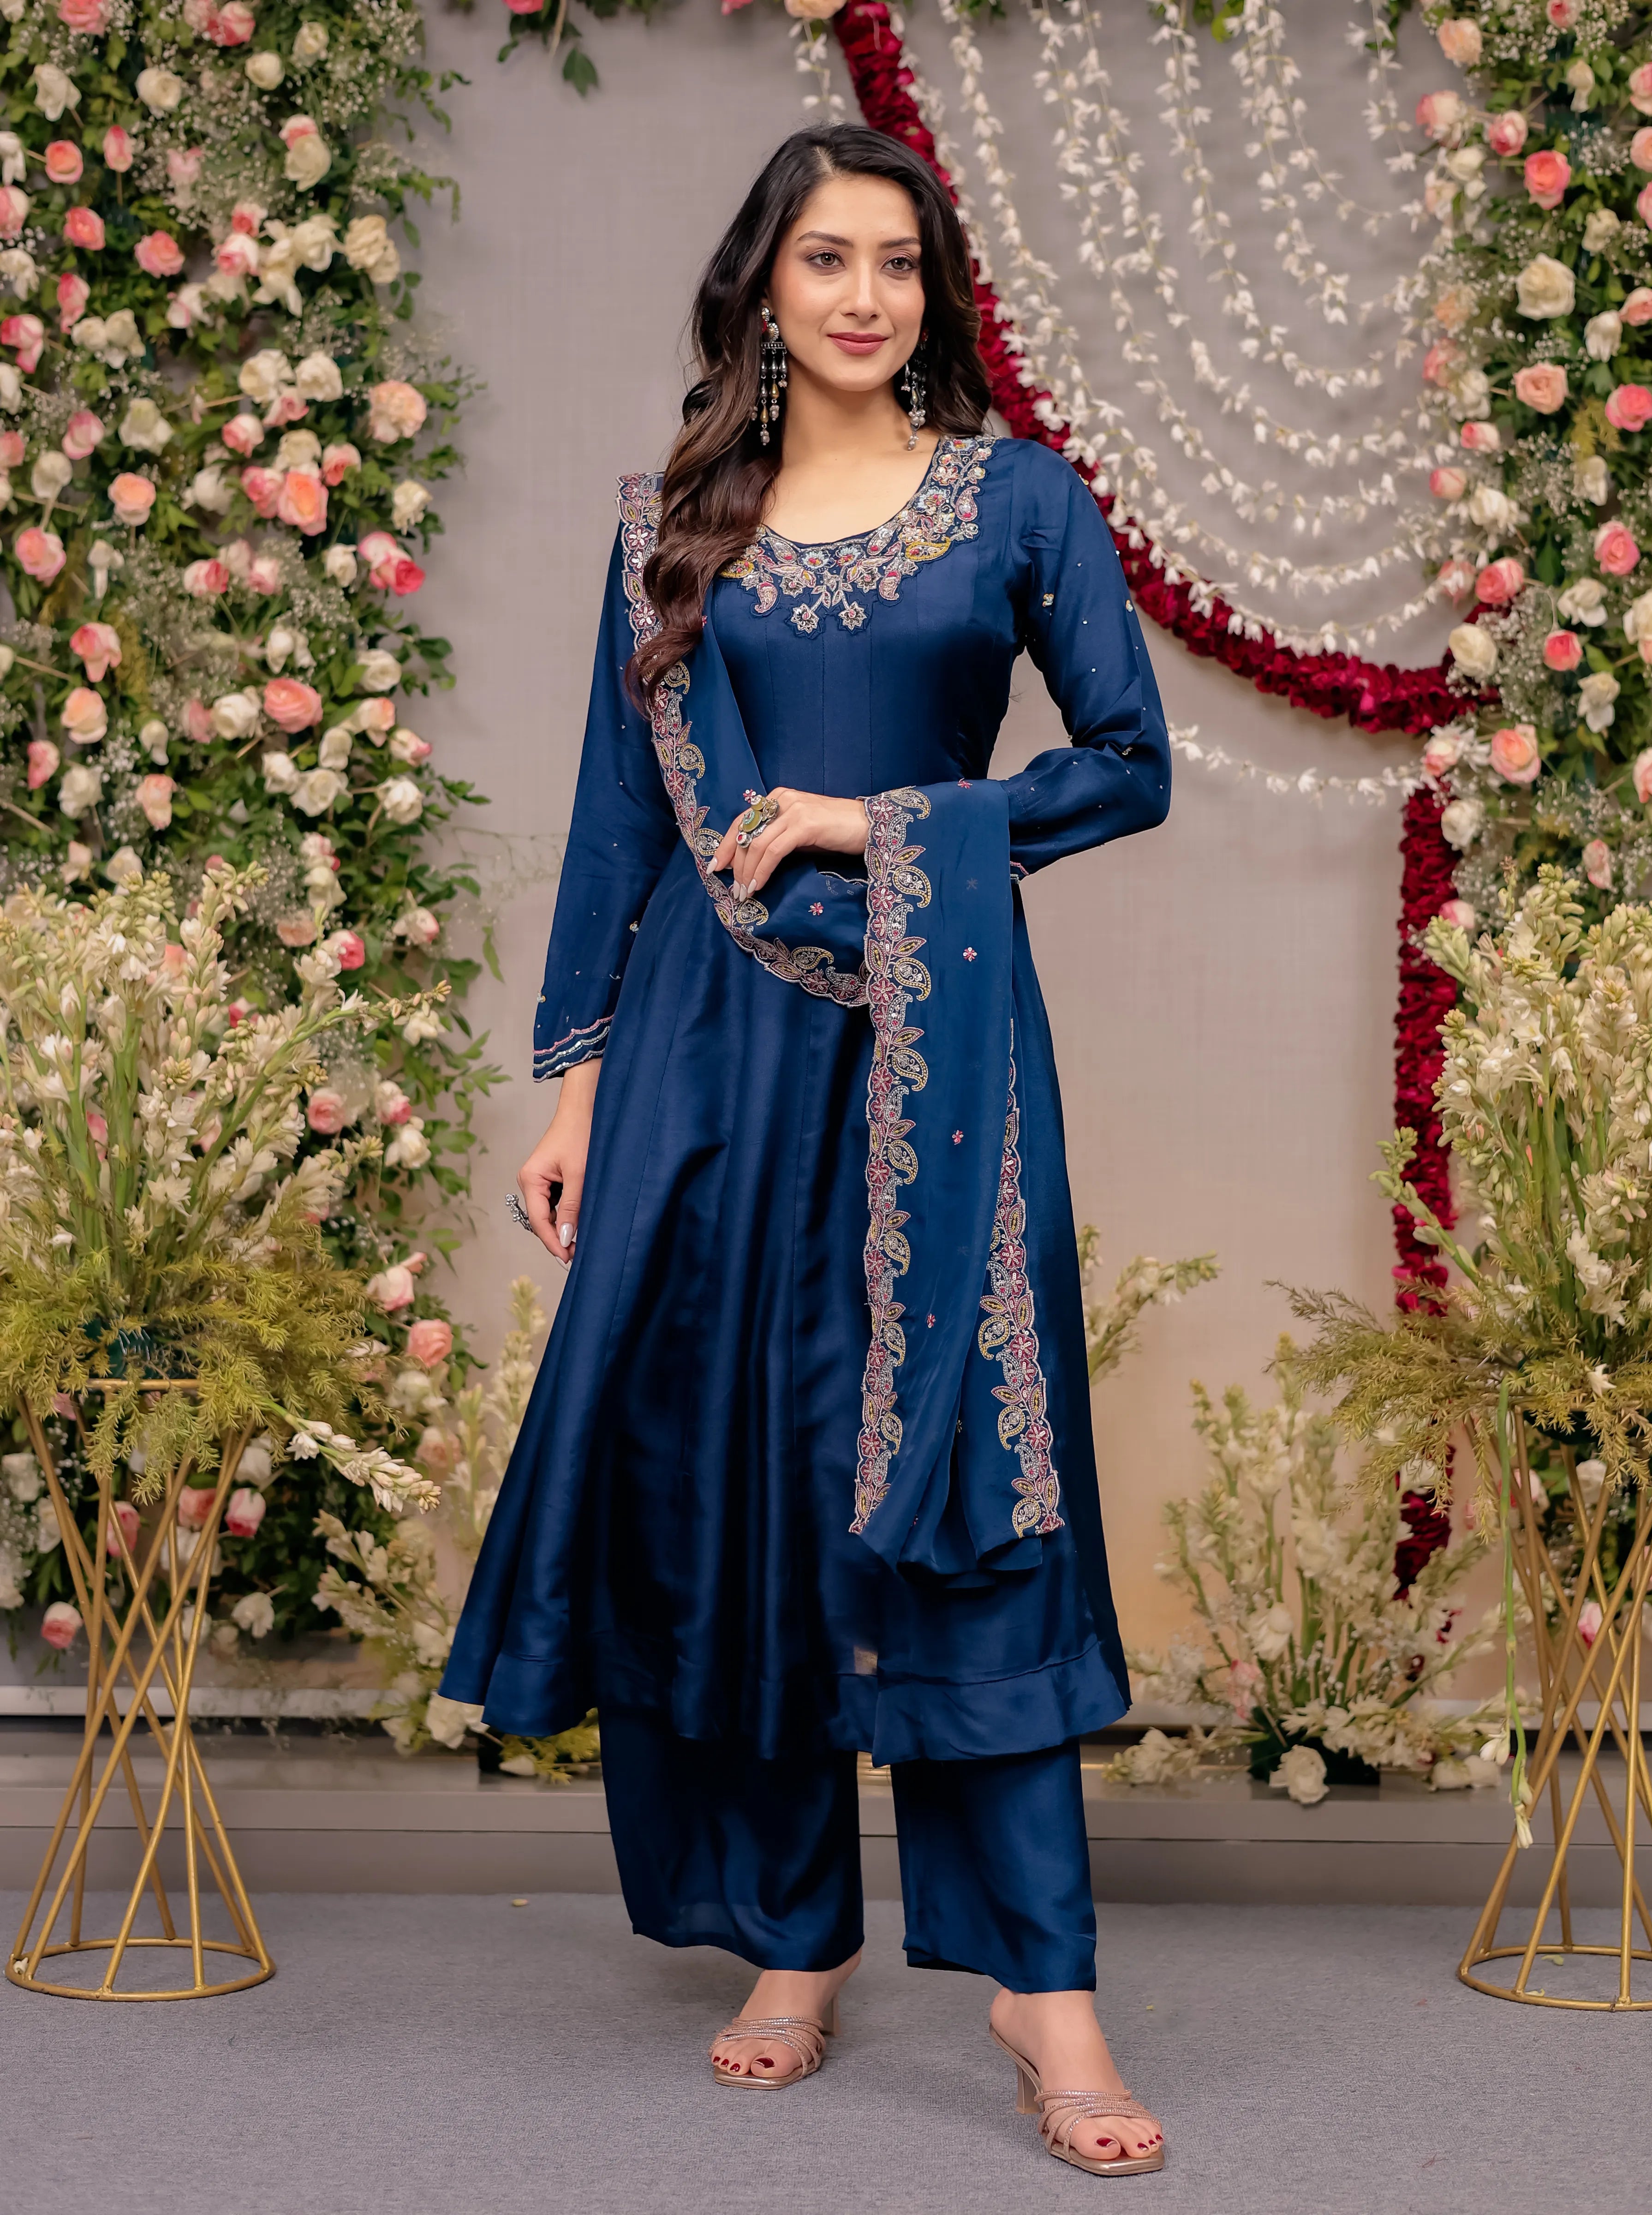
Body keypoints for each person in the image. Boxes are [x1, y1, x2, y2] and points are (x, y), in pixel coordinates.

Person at [441, 121, 1171, 2179]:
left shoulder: (1014, 501)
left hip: (933, 1063)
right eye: (827, 260)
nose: (866, 297)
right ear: (762, 285)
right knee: (732, 1475)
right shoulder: (677, 526)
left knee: (962, 1478)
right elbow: (617, 821)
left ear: (934, 294)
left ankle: (1046, 1993)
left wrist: (885, 823)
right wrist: (578, 1088)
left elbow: (1123, 768)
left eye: (901, 265)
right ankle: (789, 1938)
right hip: (701, 1058)